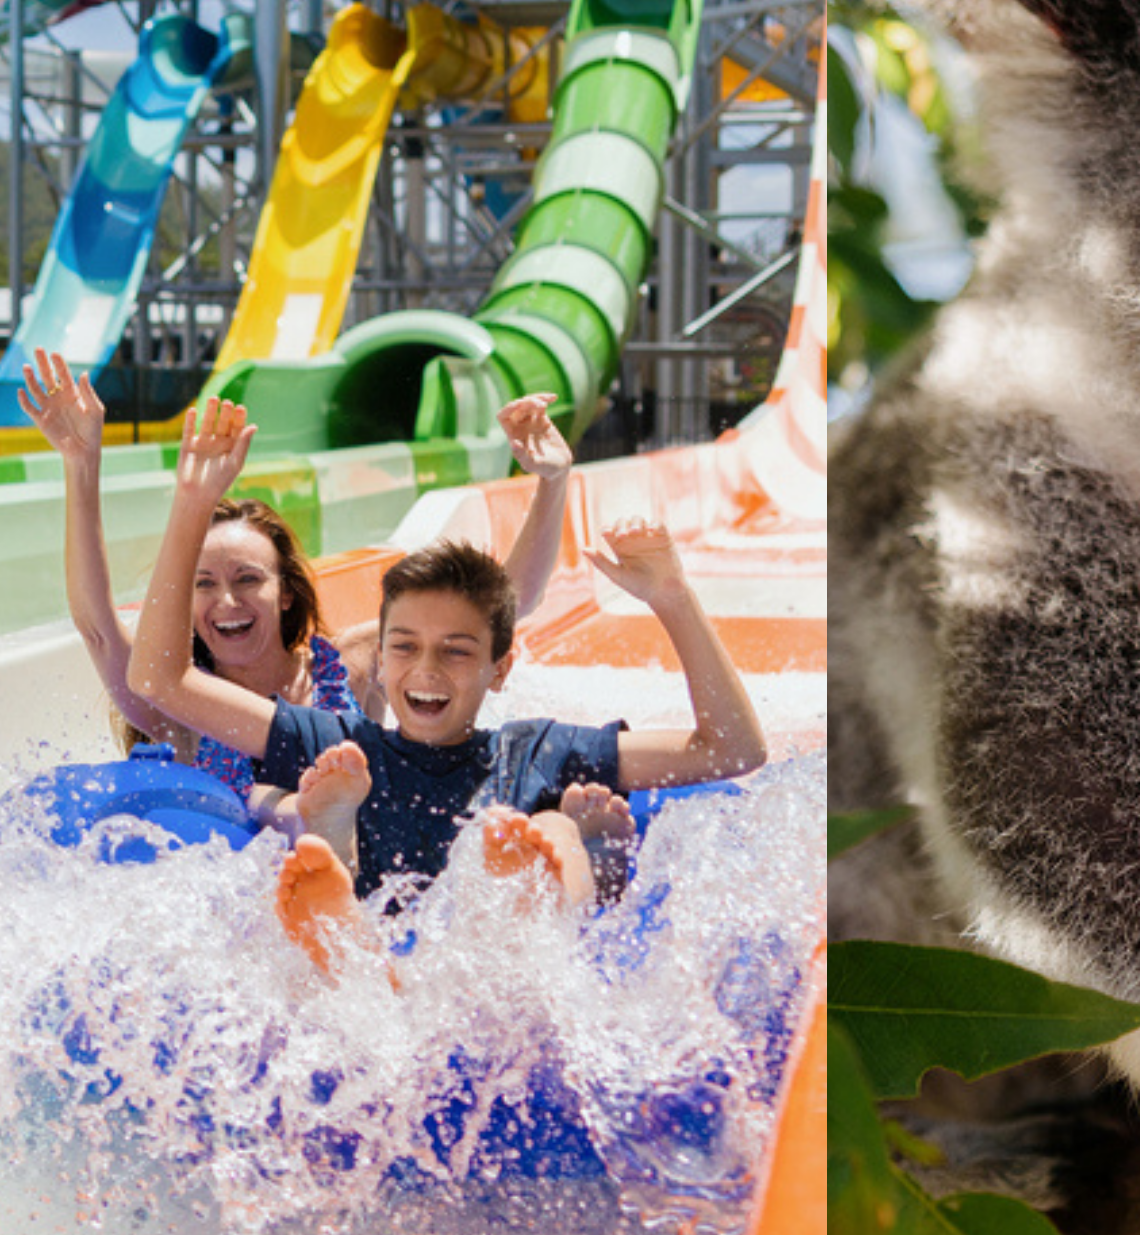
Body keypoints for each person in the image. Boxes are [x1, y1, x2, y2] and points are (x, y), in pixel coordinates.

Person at [127, 397, 768, 957]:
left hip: (503, 970)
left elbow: (733, 750)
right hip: (386, 958)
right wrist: (193, 501)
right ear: (379, 654)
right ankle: (336, 888)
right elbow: (159, 678)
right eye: (404, 647)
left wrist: (673, 598)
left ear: (501, 667)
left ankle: (535, 895)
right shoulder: (336, 747)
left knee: (554, 828)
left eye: (456, 652)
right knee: (297, 811)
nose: (426, 671)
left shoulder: (539, 751)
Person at [17, 347, 581, 805]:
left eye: (246, 579)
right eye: (203, 584)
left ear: (285, 592)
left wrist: (552, 481)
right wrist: (80, 463)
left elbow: (506, 605)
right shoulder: (178, 698)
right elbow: (95, 625)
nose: (226, 601)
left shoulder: (353, 667)